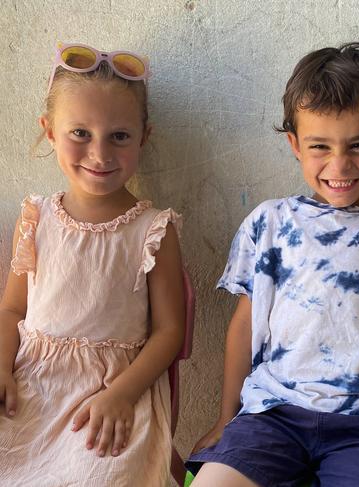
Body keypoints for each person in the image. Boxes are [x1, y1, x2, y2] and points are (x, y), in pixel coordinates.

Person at [187, 43, 359, 487]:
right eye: (320, 146)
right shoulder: (270, 223)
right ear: (294, 144)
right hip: (270, 415)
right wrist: (226, 418)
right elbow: (244, 324)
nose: (340, 165)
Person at [0, 42, 185, 486]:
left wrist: (121, 394)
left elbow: (169, 331)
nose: (99, 154)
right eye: (79, 133)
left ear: (143, 136)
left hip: (112, 394)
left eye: (118, 136)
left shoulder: (153, 229)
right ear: (49, 131)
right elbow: (12, 310)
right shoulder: (36, 217)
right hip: (31, 387)